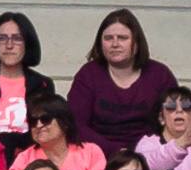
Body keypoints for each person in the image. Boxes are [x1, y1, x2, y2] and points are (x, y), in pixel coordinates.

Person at [67, 9, 178, 158]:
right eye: (108, 38)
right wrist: (116, 152)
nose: (115, 44)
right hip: (98, 156)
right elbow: (76, 125)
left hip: (152, 156)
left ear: (137, 42)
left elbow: (173, 121)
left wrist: (142, 153)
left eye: (123, 38)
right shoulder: (88, 75)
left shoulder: (160, 75)